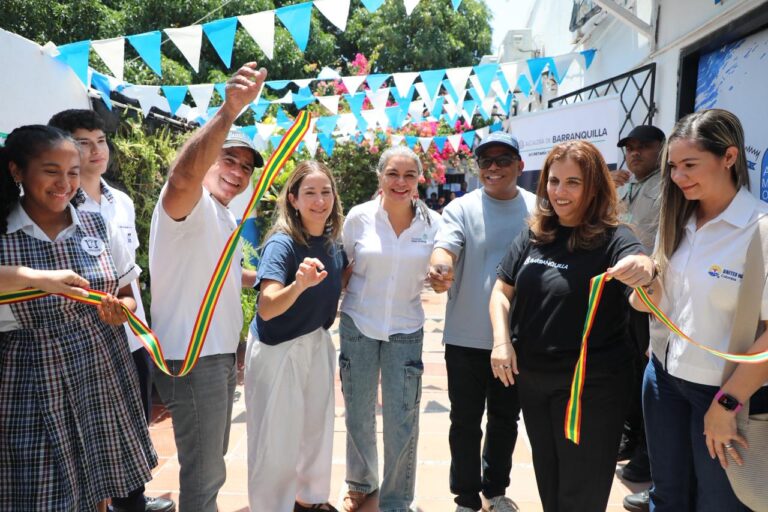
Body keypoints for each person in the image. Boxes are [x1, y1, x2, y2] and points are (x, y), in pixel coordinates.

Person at [489, 139, 654, 512]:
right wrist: (502, 341)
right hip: (533, 382)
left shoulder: (616, 238)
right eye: (554, 181)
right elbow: (501, 291)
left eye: (573, 182)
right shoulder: (535, 233)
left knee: (581, 492)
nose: (559, 192)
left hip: (589, 388)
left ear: (593, 186)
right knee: (550, 482)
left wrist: (645, 268)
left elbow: (640, 268)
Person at [0, 125, 157, 511]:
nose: (65, 184)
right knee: (40, 490)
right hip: (29, 375)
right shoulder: (3, 228)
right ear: (17, 170)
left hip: (99, 367)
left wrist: (121, 310)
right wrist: (36, 278)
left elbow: (127, 293)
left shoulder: (96, 223)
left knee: (99, 479)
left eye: (72, 172)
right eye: (51, 171)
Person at [624, 109, 768, 512]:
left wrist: (727, 403)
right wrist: (643, 275)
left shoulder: (759, 229)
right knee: (666, 497)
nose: (678, 177)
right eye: (672, 167)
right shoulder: (677, 218)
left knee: (718, 503)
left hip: (723, 391)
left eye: (690, 165)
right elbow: (651, 304)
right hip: (662, 379)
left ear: (729, 157)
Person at [149, 63, 265, 512]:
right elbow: (182, 177)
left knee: (210, 464)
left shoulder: (223, 214)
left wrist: (276, 280)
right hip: (193, 356)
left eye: (245, 167)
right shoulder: (189, 202)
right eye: (228, 159)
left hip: (217, 355)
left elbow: (224, 275)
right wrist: (228, 112)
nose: (237, 172)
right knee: (204, 473)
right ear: (209, 158)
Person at [48, 109, 175, 512]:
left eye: (101, 141)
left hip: (131, 331)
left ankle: (130, 496)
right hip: (85, 342)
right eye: (83, 143)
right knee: (92, 427)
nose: (96, 150)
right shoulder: (55, 207)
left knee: (133, 419)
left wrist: (134, 313)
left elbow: (127, 273)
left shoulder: (120, 201)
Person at [429, 131, 536, 512]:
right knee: (465, 421)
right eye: (485, 161)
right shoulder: (461, 208)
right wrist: (440, 268)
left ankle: (495, 490)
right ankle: (466, 497)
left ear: (519, 165)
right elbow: (445, 248)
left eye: (503, 160)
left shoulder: (539, 209)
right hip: (466, 336)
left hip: (516, 339)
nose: (493, 168)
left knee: (505, 419)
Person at [339, 146, 441, 512]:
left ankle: (396, 499)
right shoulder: (358, 218)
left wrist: (442, 278)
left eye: (409, 175)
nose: (401, 182)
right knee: (358, 411)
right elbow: (343, 265)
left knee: (402, 417)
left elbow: (441, 272)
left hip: (406, 328)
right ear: (380, 177)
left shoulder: (432, 224)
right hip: (358, 324)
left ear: (419, 180)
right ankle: (360, 483)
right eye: (393, 174)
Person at [245, 160, 345, 512]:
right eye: (310, 193)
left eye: (326, 192)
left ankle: (310, 499)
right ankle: (271, 506)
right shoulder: (282, 243)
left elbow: (341, 277)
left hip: (315, 339)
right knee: (275, 440)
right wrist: (299, 285)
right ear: (293, 199)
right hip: (278, 348)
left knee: (316, 428)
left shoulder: (333, 242)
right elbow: (267, 307)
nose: (320, 201)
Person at [613, 124, 666, 485]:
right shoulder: (627, 185)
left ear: (661, 148)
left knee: (650, 369)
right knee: (630, 367)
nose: (634, 153)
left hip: (652, 291)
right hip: (623, 291)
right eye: (629, 147)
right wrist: (610, 188)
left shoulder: (669, 185)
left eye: (643, 146)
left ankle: (649, 452)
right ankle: (632, 436)